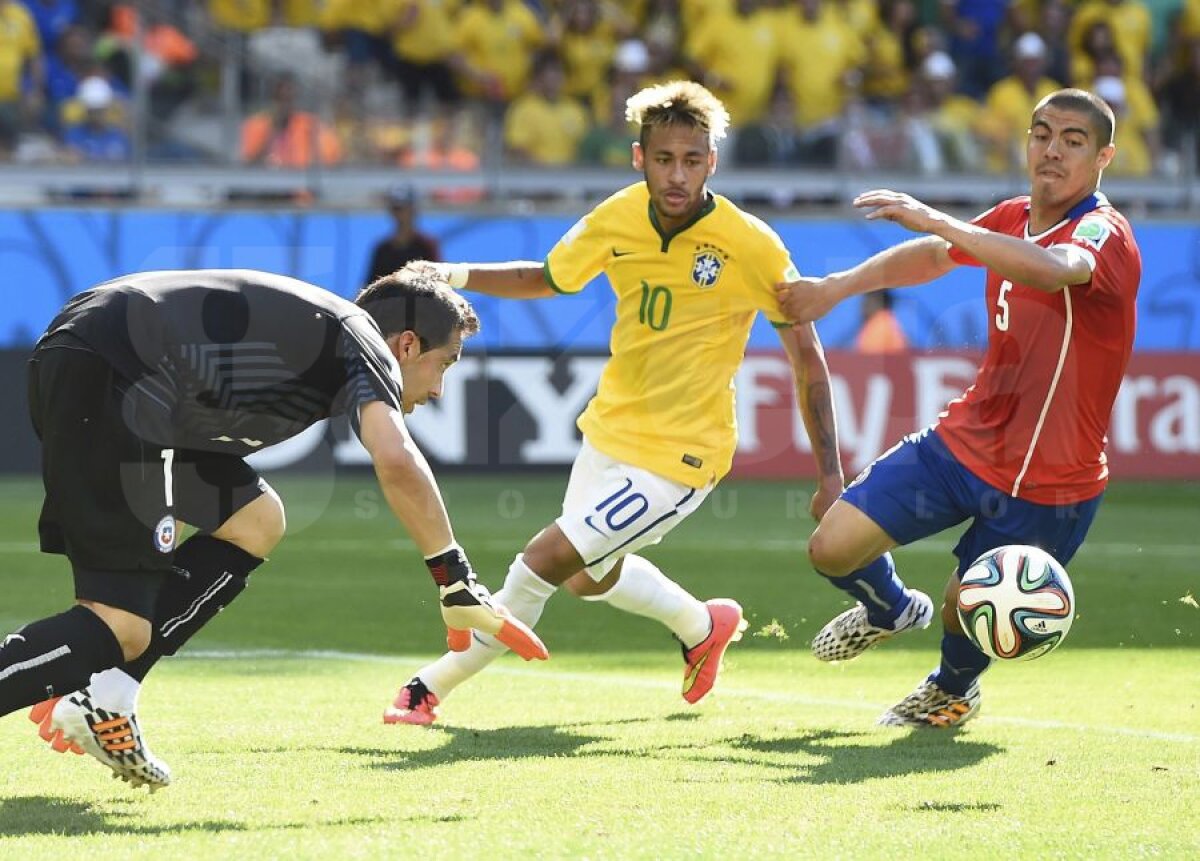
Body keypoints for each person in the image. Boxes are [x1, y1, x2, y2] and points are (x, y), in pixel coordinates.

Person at [385, 80, 845, 726]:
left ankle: (430, 686)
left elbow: (807, 357)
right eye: (664, 159)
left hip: (681, 456)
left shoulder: (750, 244)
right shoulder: (618, 217)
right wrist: (449, 274)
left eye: (692, 160)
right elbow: (547, 278)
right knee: (587, 577)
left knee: (544, 560)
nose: (678, 175)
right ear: (639, 158)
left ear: (712, 162)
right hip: (610, 431)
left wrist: (831, 476)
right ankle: (702, 624)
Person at [3, 268, 547, 790]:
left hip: (105, 361)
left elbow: (180, 468)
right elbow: (396, 460)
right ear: (406, 344)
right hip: (117, 368)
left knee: (254, 519)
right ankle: (104, 673)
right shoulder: (361, 339)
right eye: (445, 363)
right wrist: (454, 578)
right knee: (120, 625)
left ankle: (108, 694)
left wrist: (92, 650)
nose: (440, 390)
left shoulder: (314, 340)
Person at [775, 88, 1141, 727]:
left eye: (1073, 140)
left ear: (1103, 157)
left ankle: (953, 689)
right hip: (964, 444)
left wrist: (940, 220)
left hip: (1050, 482)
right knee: (831, 546)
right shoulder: (1011, 215)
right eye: (1042, 134)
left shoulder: (1102, 231)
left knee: (968, 607)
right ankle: (890, 608)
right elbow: (935, 256)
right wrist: (837, 287)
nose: (1052, 150)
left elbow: (1055, 269)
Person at [363, 185, 441, 287]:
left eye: (403, 208)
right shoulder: (382, 250)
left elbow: (438, 283)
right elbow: (369, 286)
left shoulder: (426, 246)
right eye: (396, 209)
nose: (400, 214)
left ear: (413, 210)